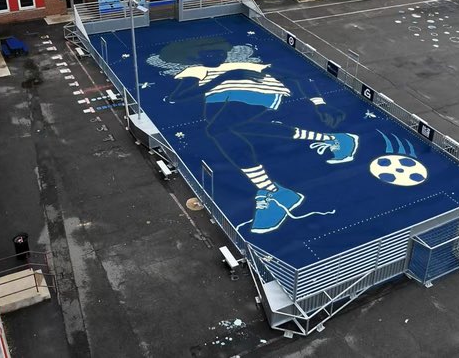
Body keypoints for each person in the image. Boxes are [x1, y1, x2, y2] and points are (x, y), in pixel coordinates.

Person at [148, 38, 358, 234]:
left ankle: (275, 192)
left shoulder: (248, 65)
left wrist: (320, 104)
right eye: (207, 54)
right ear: (196, 58)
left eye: (219, 52)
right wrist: (225, 77)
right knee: (250, 129)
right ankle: (334, 140)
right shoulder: (197, 71)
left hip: (257, 93)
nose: (214, 56)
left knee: (218, 130)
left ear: (227, 53)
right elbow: (177, 97)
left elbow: (296, 76)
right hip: (220, 102)